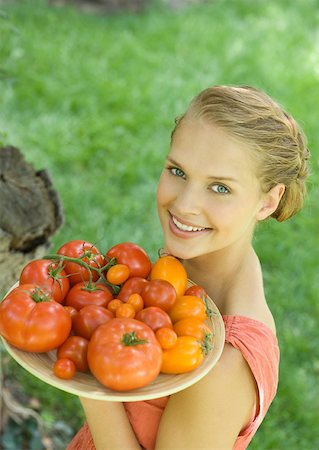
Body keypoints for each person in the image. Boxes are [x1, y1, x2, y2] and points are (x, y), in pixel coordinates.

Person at [67, 84, 310, 450]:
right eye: (178, 171)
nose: (185, 205)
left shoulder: (226, 364)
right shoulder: (184, 268)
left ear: (268, 201)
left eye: (220, 188)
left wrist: (86, 376)